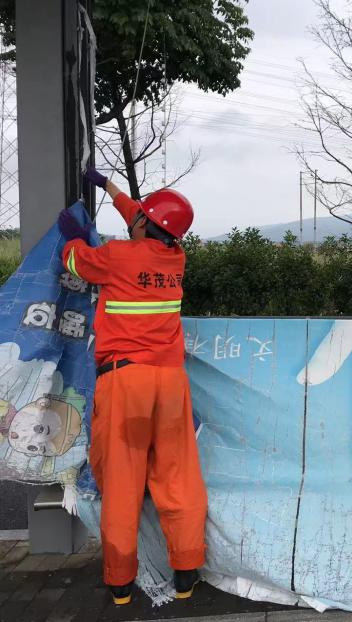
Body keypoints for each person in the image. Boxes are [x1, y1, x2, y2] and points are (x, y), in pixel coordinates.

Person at [57, 168, 207, 605]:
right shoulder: (175, 257)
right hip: (171, 383)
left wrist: (72, 238)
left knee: (122, 482)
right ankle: (186, 572)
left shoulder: (117, 256)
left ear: (146, 223)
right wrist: (108, 187)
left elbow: (75, 261)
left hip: (126, 384)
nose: (133, 216)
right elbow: (144, 218)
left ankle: (120, 582)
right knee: (178, 477)